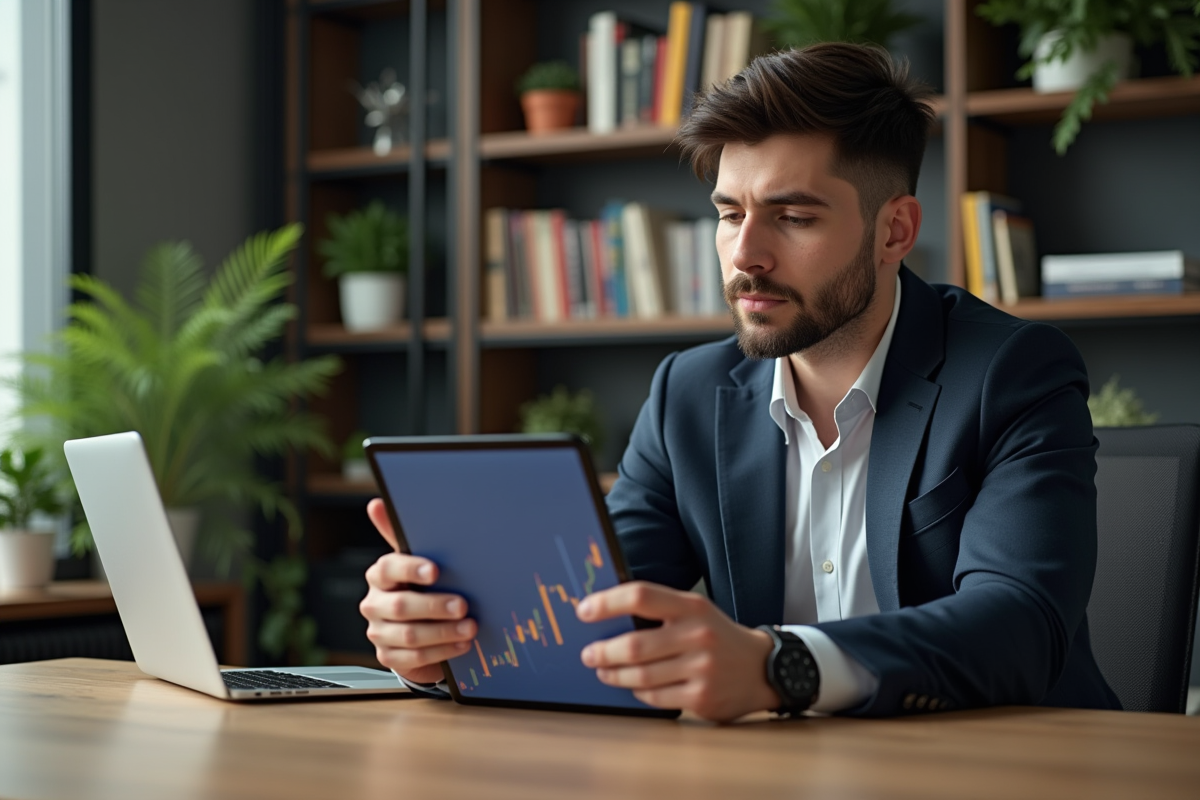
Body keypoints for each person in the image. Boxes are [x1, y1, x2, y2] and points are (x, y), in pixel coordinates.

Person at [359, 43, 1120, 722]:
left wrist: (778, 666)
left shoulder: (1012, 372)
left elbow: (1019, 622)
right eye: (729, 214)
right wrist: (446, 644)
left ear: (894, 230)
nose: (745, 254)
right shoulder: (688, 394)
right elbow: (601, 614)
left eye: (793, 217)